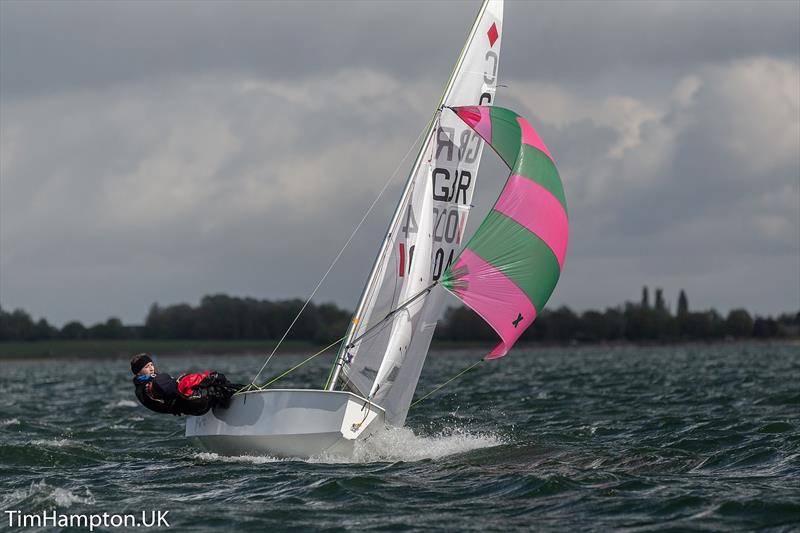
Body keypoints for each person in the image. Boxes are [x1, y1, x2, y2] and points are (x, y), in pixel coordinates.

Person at [130, 353, 243, 416]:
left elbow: (165, 400)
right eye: (146, 367)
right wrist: (209, 377)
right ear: (138, 372)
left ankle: (222, 404)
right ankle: (238, 401)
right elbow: (180, 386)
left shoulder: (139, 389)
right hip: (198, 403)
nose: (151, 368)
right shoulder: (155, 383)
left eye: (151, 364)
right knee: (217, 385)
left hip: (192, 410)